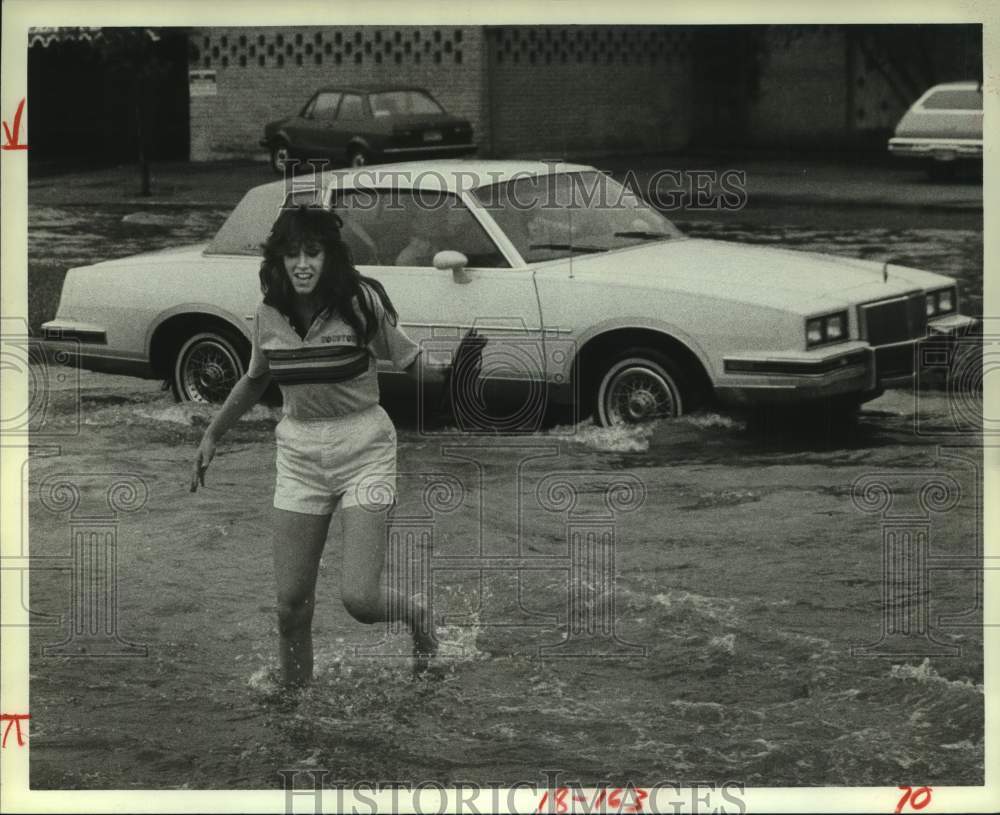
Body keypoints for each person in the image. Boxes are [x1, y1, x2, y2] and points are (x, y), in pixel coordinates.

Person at [189, 205, 471, 688]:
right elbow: (255, 380)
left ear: (329, 258)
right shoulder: (268, 313)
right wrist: (213, 434)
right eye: (292, 254)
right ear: (276, 260)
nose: (302, 264)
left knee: (360, 601)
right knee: (290, 606)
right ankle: (295, 705)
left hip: (366, 447)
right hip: (298, 454)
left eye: (313, 253)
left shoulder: (360, 304)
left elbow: (410, 362)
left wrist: (455, 376)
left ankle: (419, 617)